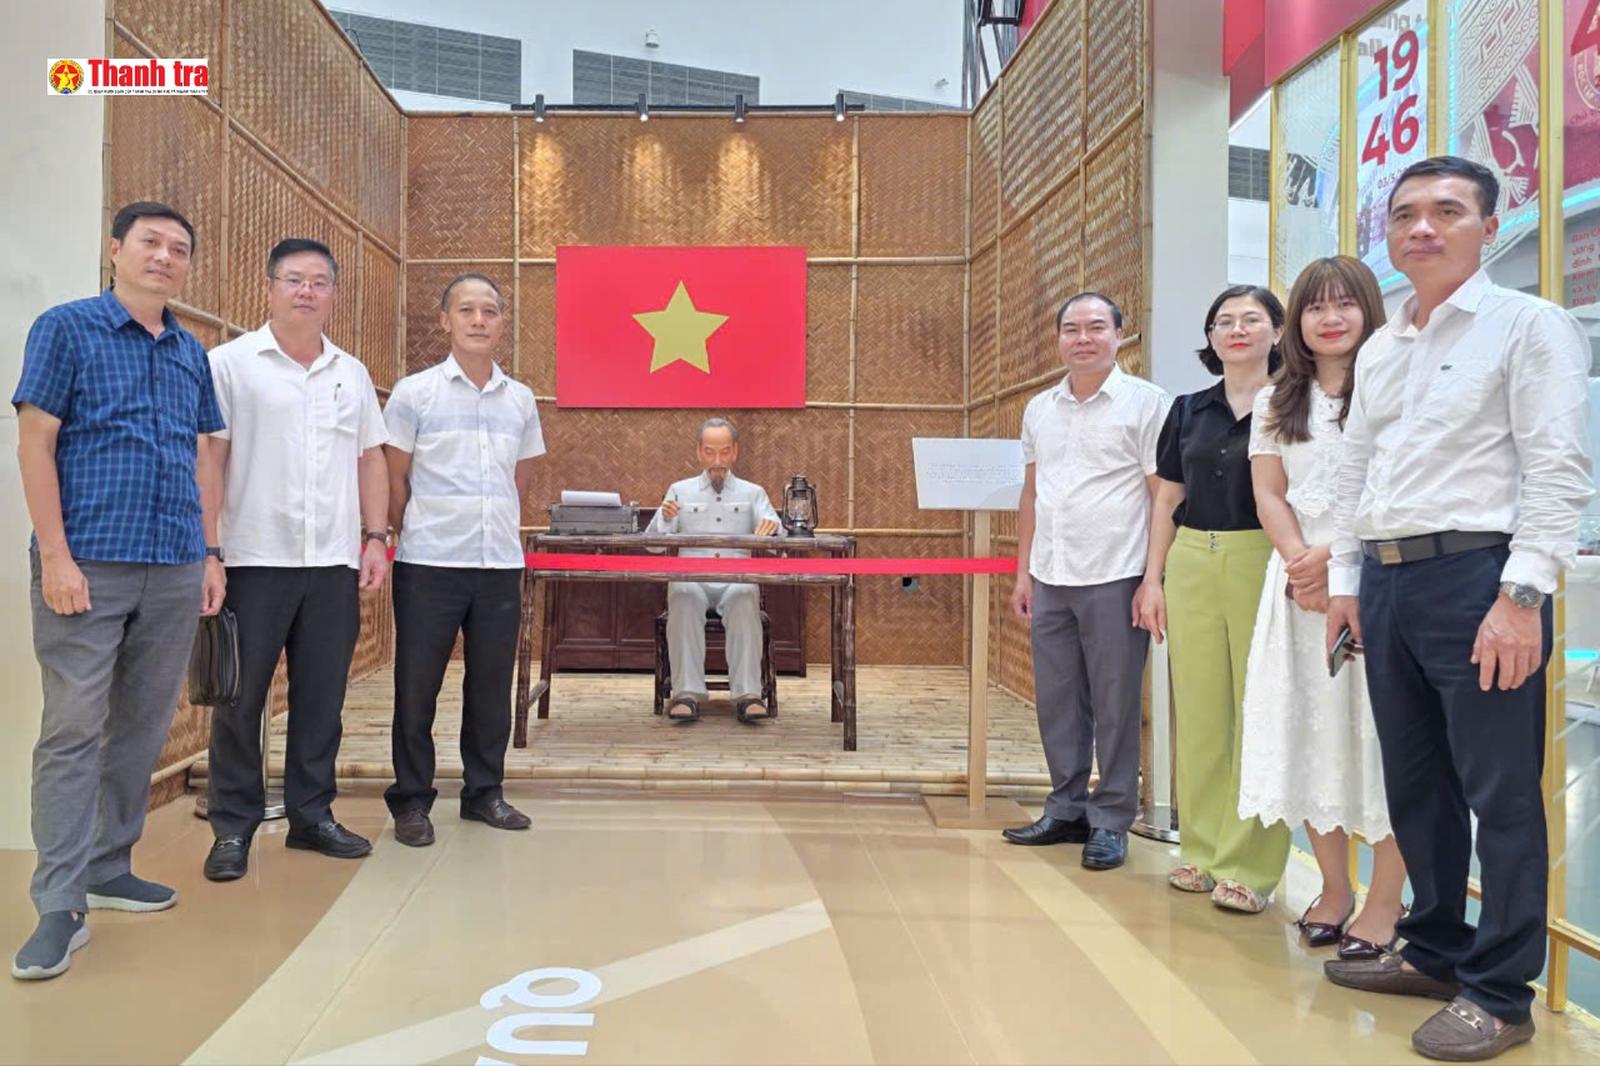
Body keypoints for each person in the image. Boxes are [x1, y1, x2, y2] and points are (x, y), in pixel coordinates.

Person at [1321, 155, 1593, 1061]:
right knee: (1416, 784)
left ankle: (1501, 993)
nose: (1422, 228)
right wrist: (1348, 585)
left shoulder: (1528, 325)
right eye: (1405, 214)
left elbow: (1559, 467)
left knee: (1500, 792)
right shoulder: (1382, 347)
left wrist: (1522, 597)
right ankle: (1435, 948)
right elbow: (1356, 472)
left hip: (1480, 580)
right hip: (1389, 581)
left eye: (1447, 211)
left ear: (1488, 226)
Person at [11, 202, 226, 980]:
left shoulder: (191, 352)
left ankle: (109, 865)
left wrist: (208, 553)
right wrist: (56, 557)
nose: (164, 256)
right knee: (73, 729)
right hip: (88, 563)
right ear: (116, 250)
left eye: (179, 248)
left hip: (173, 565)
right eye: (150, 243)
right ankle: (58, 905)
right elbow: (34, 442)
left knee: (140, 726)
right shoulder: (66, 329)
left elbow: (202, 454)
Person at [200, 238, 390, 882]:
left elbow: (370, 458)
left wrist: (375, 537)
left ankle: (312, 816)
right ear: (270, 287)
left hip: (332, 561)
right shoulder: (230, 365)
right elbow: (210, 459)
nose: (306, 291)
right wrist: (209, 550)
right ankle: (233, 826)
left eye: (319, 282)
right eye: (293, 279)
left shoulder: (351, 373)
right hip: (252, 557)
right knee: (239, 699)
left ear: (333, 294)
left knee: (322, 698)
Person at [1236, 256, 1408, 957]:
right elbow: (1268, 492)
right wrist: (1301, 561)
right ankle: (1334, 889)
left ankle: (1386, 901)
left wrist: (1336, 558)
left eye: (1344, 304)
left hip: (1377, 579)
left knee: (1385, 741)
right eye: (1314, 307)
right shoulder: (1277, 401)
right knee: (1311, 736)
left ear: (1369, 309)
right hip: (1298, 589)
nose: (1330, 318)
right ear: (1297, 323)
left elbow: (1399, 488)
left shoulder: (1395, 387)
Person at [1134, 284, 1291, 914]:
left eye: (1252, 319)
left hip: (1264, 558)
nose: (1237, 329)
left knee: (1259, 711)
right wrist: (1153, 579)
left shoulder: (1293, 404)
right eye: (1224, 321)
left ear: (1278, 332)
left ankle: (1249, 864)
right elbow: (1167, 499)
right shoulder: (1187, 410)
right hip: (1191, 558)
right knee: (1198, 713)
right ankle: (1199, 851)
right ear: (1210, 337)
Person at [1004, 292, 1170, 871]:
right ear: (1058, 340)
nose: (1083, 338)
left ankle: (1112, 818)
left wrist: (1153, 578)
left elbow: (1162, 496)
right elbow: (1032, 494)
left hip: (1116, 573)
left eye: (1096, 327)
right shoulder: (1039, 409)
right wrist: (1023, 572)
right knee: (1058, 700)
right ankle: (1066, 807)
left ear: (1119, 335)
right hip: (1051, 573)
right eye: (1071, 329)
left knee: (1115, 701)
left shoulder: (1147, 404)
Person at [381, 275, 544, 847]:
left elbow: (520, 480)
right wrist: (417, 528)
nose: (479, 320)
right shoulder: (414, 393)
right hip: (429, 562)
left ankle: (484, 793)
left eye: (490, 311)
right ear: (444, 320)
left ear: (502, 324)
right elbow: (394, 480)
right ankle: (411, 800)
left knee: (490, 686)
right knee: (417, 686)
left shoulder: (520, 399)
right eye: (466, 310)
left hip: (498, 562)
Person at [647, 418, 781, 724]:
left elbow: (777, 536)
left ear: (735, 452)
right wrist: (666, 519)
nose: (717, 460)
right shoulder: (679, 490)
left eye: (724, 452)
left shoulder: (753, 492)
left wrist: (772, 529)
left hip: (736, 578)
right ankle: (686, 693)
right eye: (710, 452)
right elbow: (653, 545)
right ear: (699, 452)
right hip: (691, 578)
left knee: (745, 595)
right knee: (682, 594)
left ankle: (748, 695)